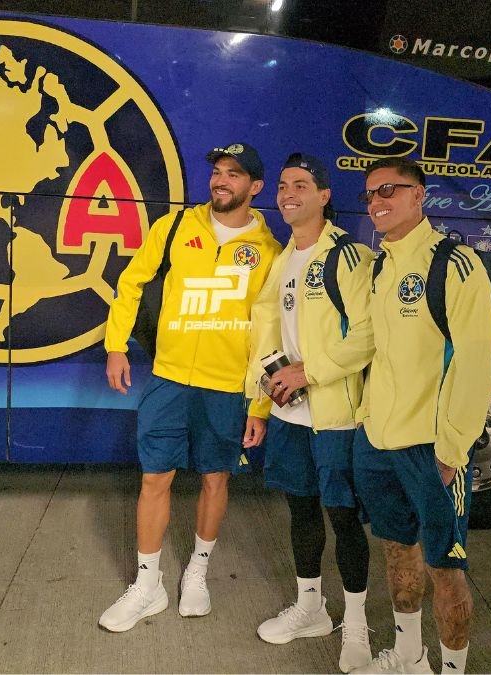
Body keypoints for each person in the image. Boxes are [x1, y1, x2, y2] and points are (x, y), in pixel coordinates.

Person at [99, 142, 282, 632]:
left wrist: (259, 405)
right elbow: (131, 283)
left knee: (216, 479)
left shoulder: (270, 252)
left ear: (255, 186)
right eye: (218, 171)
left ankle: (197, 573)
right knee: (154, 478)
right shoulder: (176, 226)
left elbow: (269, 334)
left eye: (234, 174)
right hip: (169, 378)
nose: (221, 180)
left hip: (226, 387)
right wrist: (116, 345)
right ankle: (148, 585)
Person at [350, 157, 491, 674]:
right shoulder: (380, 265)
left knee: (445, 568)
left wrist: (452, 448)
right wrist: (363, 415)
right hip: (378, 441)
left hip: (432, 448)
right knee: (397, 549)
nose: (377, 201)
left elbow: (475, 363)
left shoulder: (454, 264)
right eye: (370, 194)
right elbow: (372, 348)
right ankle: (409, 655)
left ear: (420, 194)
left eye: (389, 189)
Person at [246, 153, 375, 672]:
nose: (288, 193)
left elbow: (367, 335)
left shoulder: (348, 255)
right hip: (288, 416)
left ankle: (357, 624)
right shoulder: (284, 259)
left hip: (335, 417)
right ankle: (311, 609)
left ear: (324, 196)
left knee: (344, 518)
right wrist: (260, 404)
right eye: (282, 185)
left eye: (301, 184)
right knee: (301, 511)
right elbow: (267, 338)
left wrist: (310, 372)